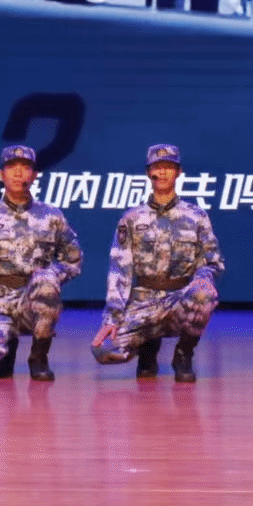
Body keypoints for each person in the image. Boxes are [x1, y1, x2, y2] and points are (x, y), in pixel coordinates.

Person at [93, 145, 224, 382]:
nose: (162, 172)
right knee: (102, 350)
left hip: (179, 299)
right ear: (148, 173)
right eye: (157, 167)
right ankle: (147, 350)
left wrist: (202, 279)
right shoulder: (132, 218)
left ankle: (183, 354)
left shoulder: (196, 216)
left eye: (169, 167)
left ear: (179, 172)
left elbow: (212, 261)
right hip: (143, 302)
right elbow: (119, 270)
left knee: (205, 292)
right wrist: (112, 318)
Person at [0, 145, 83, 381]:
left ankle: (39, 357)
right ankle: (5, 347)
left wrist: (50, 276)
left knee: (47, 280)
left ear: (34, 175)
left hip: (34, 301)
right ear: (1, 174)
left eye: (25, 167)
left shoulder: (51, 216)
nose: (18, 173)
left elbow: (73, 258)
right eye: (12, 167)